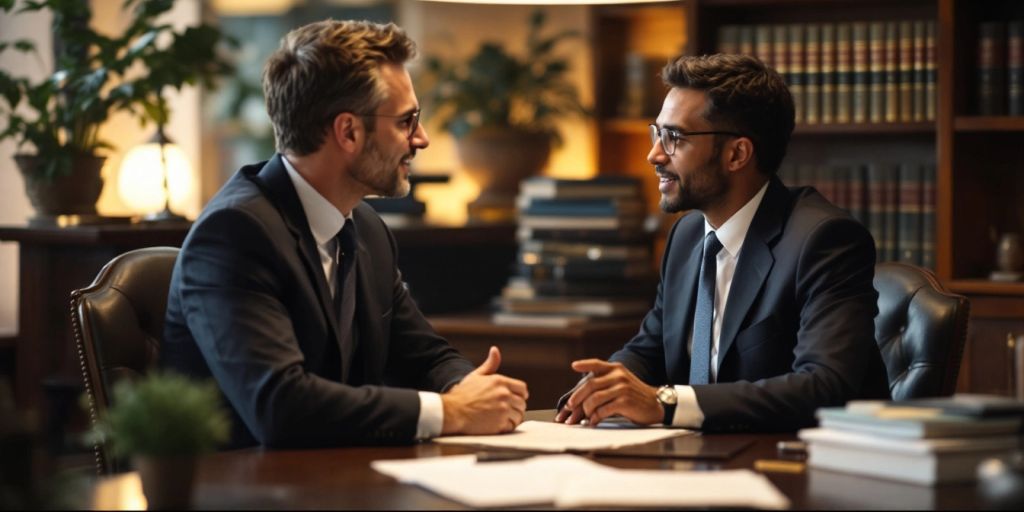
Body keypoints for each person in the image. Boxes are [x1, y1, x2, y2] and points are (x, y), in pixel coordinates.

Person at [161, 20, 528, 448]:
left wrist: (469, 389)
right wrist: (451, 412)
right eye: (407, 121)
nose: (421, 139)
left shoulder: (367, 227)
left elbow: (426, 355)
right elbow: (280, 406)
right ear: (348, 131)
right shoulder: (234, 235)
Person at [555, 53, 889, 432]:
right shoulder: (686, 236)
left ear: (737, 154)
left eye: (674, 138)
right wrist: (604, 387)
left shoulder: (824, 240)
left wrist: (664, 403)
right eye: (657, 133)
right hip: (699, 460)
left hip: (800, 470)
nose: (654, 154)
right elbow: (650, 349)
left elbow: (823, 385)